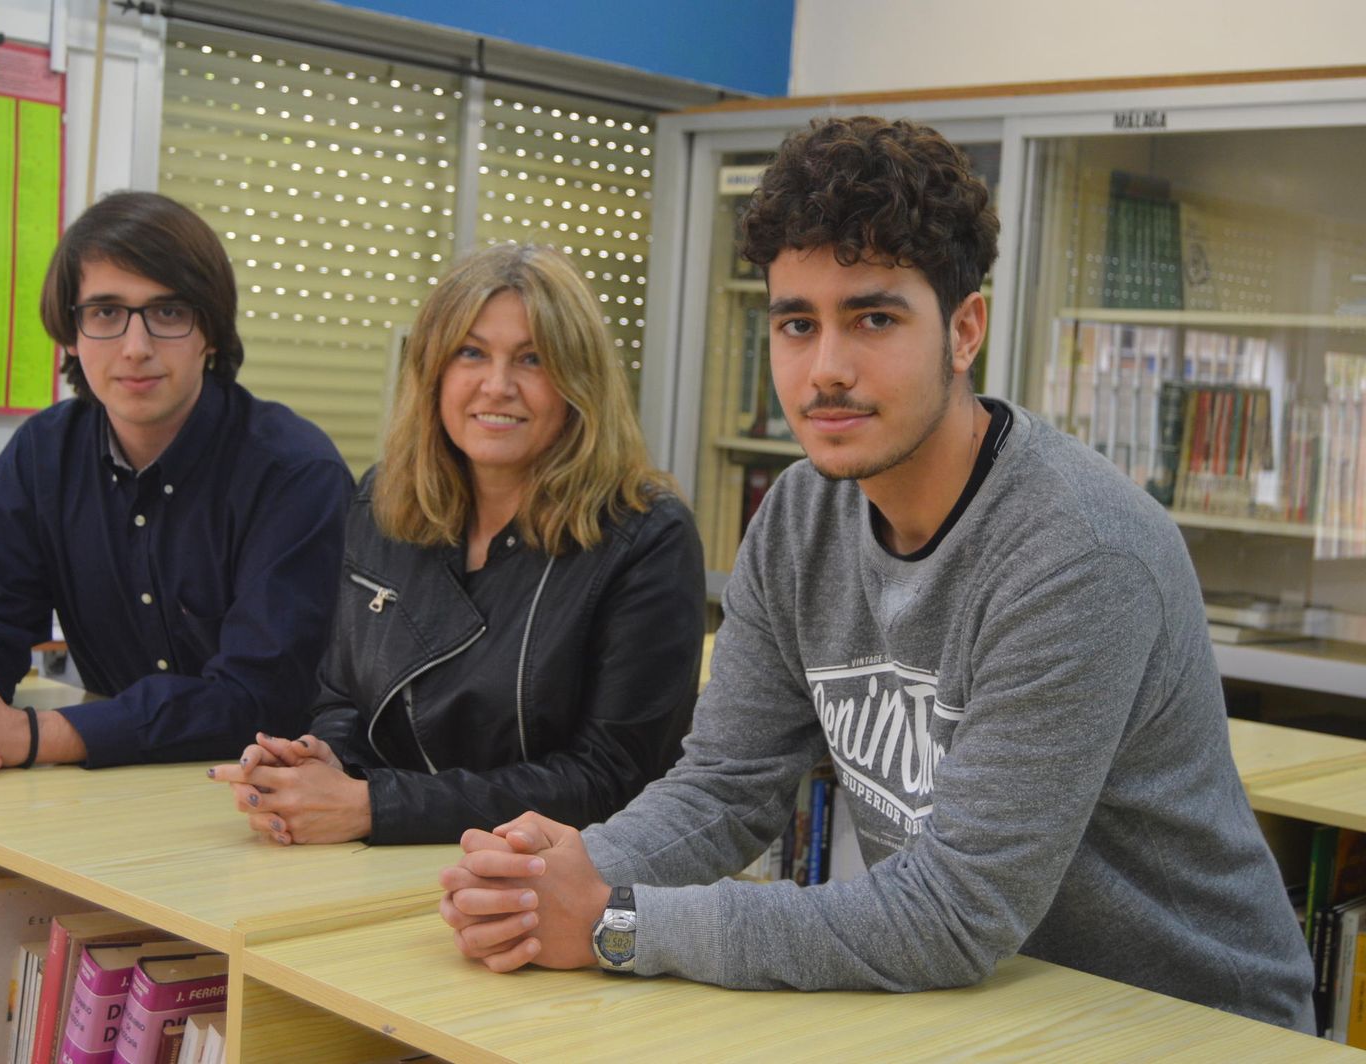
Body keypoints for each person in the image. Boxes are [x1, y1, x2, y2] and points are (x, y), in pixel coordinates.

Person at [436, 117, 1316, 1032]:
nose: (827, 370)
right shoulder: (797, 516)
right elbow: (725, 788)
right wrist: (557, 877)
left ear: (964, 328)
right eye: (796, 324)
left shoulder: (1078, 554)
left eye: (874, 318)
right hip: (987, 1006)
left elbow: (951, 915)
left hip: (1189, 1024)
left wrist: (619, 923)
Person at [208, 242, 705, 845]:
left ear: (580, 382)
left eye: (532, 359)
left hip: (547, 883)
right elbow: (342, 697)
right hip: (379, 862)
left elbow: (610, 780)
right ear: (433, 372)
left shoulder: (645, 536)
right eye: (471, 353)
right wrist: (324, 764)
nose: (497, 386)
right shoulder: (383, 500)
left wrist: (374, 806)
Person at [0, 191, 352, 770]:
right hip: (115, 787)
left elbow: (254, 699)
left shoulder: (294, 474)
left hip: (273, 797)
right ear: (70, 332)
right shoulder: (43, 455)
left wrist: (34, 735)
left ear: (209, 331)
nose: (136, 349)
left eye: (167, 313)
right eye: (106, 313)